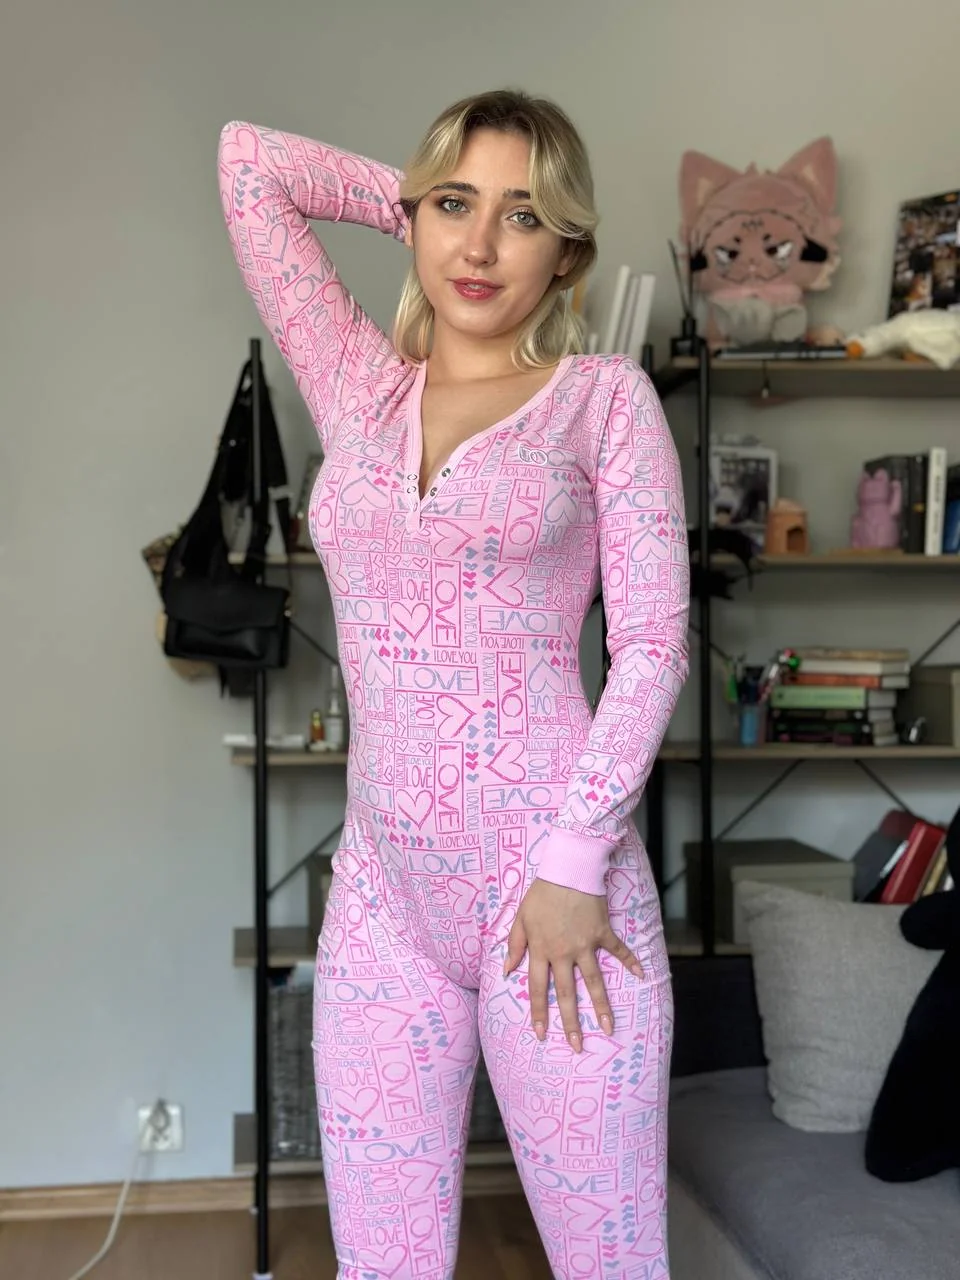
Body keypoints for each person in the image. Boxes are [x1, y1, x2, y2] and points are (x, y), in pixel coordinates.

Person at [218, 88, 689, 1280]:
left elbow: (652, 645)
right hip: (385, 898)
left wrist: (573, 863)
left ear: (567, 249)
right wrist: (416, 197)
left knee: (610, 1262)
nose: (479, 245)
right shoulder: (360, 388)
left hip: (559, 897)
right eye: (454, 207)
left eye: (522, 216)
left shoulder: (605, 401)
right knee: (381, 1266)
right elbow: (249, 164)